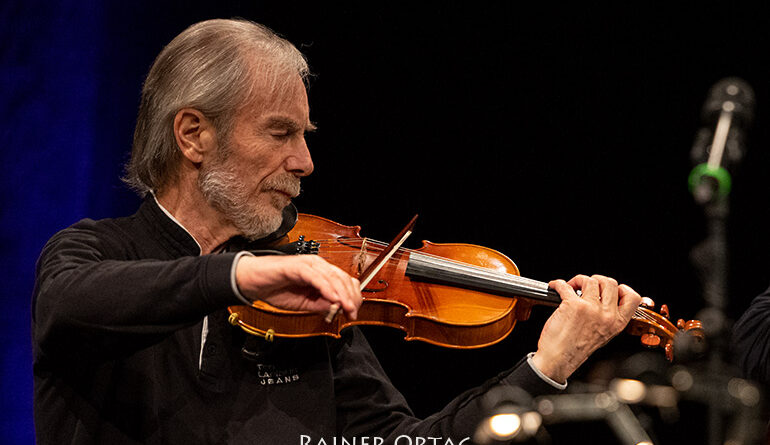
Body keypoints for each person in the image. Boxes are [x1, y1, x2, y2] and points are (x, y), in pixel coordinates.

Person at [32, 18, 642, 444]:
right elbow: (69, 302)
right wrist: (240, 275)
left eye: (305, 136)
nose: (305, 162)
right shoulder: (96, 252)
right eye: (280, 133)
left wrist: (545, 367)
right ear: (193, 135)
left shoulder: (309, 305)